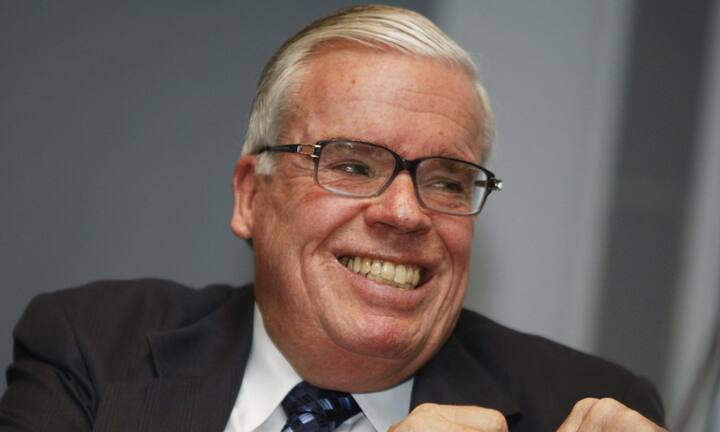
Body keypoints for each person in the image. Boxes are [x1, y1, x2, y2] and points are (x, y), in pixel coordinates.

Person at [0, 5, 667, 431]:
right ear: (251, 197)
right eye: (351, 165)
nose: (404, 212)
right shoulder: (93, 346)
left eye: (445, 180)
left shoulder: (585, 404)